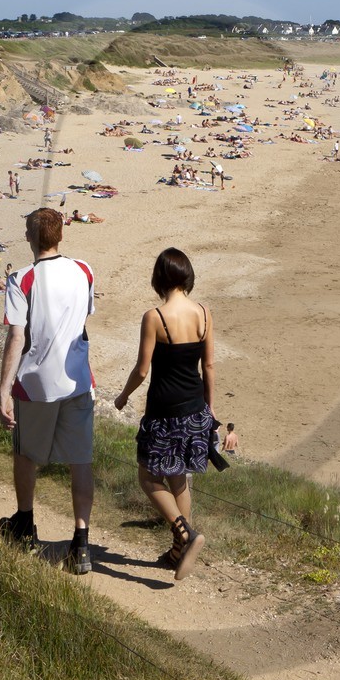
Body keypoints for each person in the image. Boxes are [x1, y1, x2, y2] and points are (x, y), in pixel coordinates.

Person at [0, 208, 98, 575]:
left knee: (26, 453)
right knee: (80, 459)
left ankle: (24, 524)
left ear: (30, 238)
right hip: (77, 380)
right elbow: (81, 320)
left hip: (36, 382)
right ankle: (81, 543)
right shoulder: (84, 270)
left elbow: (16, 336)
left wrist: (4, 389)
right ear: (60, 237)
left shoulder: (21, 278)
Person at [113, 248, 216, 580]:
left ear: (159, 278)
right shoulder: (204, 313)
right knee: (179, 479)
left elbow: (143, 370)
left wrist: (123, 396)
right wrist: (209, 409)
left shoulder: (154, 317)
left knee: (148, 478)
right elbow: (209, 366)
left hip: (164, 413)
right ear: (187, 276)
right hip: (195, 409)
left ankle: (185, 534)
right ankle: (176, 552)